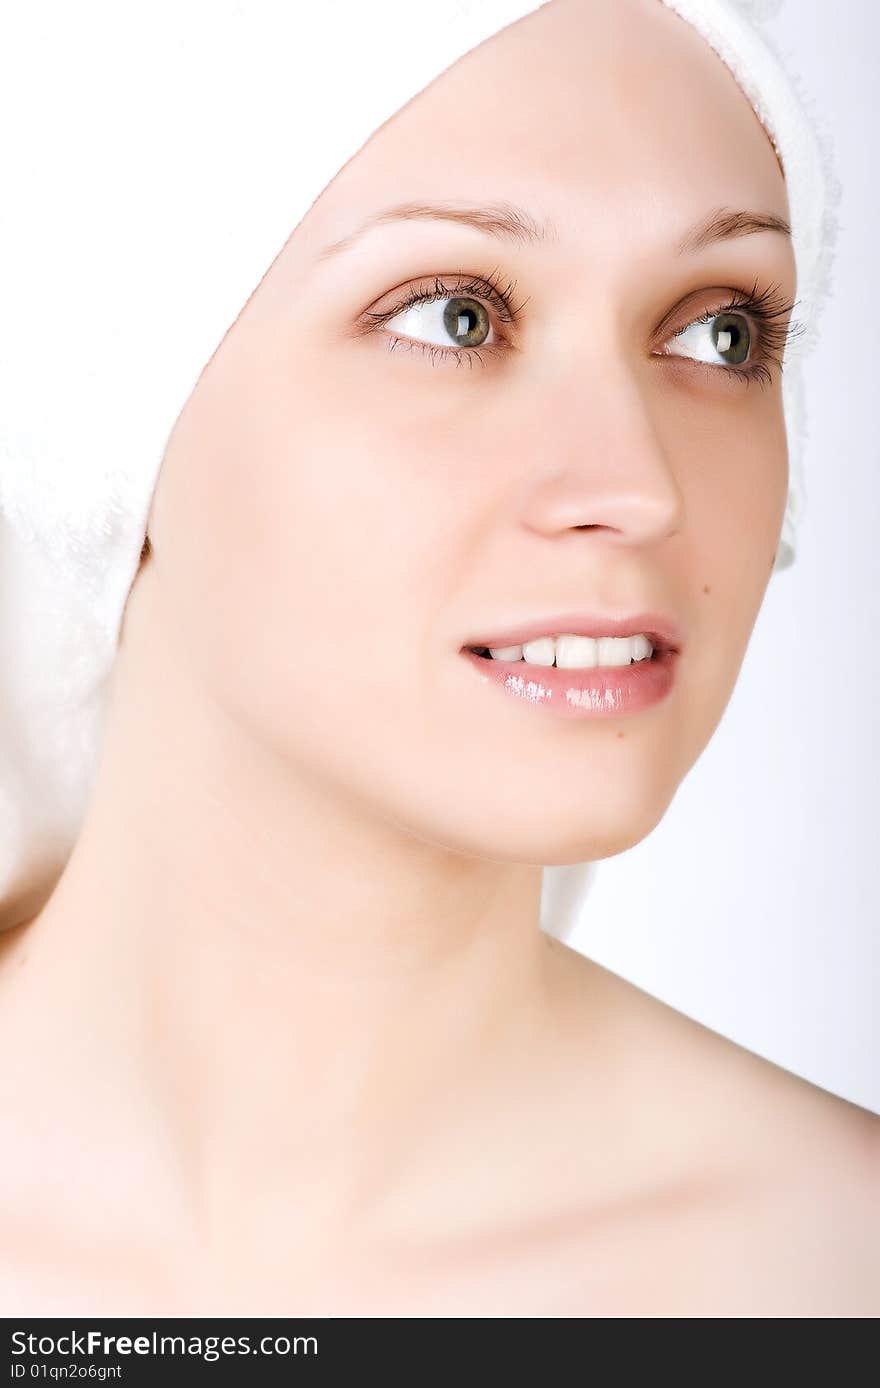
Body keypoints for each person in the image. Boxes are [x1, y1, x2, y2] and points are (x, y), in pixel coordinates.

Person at [0, 0, 876, 1316]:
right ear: (114, 401)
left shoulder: (832, 1268)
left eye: (720, 332)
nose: (638, 486)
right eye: (459, 316)